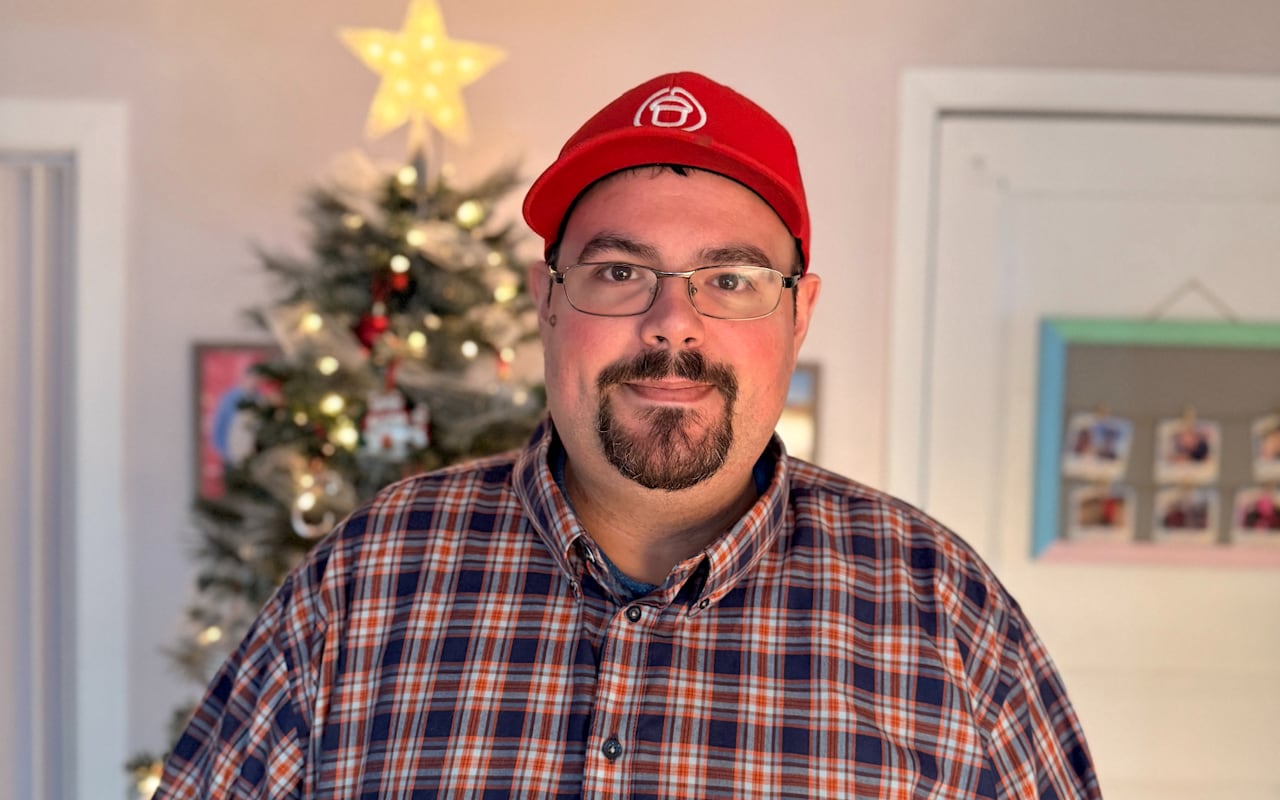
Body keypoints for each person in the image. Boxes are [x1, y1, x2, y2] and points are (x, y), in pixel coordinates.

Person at [155, 72, 1101, 798]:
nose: (673, 324)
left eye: (729, 279)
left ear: (798, 313)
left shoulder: (942, 610)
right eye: (618, 272)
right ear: (546, 300)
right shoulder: (370, 574)